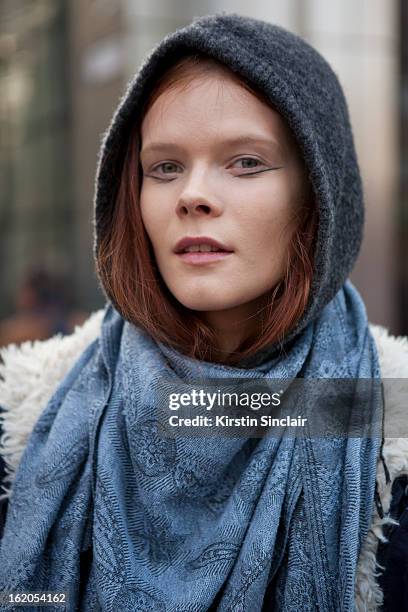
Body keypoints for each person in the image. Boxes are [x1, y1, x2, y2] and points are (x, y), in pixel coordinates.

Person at [0, 12, 408, 611]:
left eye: (245, 162)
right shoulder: (24, 421)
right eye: (164, 167)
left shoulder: (391, 424)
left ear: (320, 195)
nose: (192, 195)